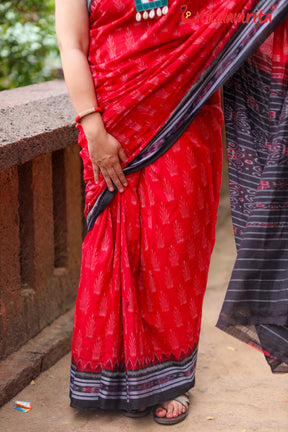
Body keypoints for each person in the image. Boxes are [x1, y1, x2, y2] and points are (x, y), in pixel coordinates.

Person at [55, 0, 287, 425]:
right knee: (113, 246)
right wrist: (92, 126)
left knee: (173, 253)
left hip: (186, 120)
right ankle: (116, 372)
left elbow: (230, 16)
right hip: (115, 121)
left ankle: (169, 376)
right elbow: (71, 44)